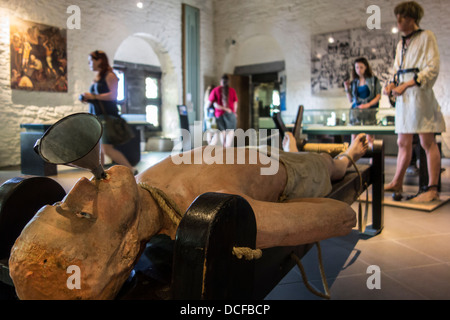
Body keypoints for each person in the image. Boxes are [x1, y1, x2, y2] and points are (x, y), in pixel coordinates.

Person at [9, 133, 368, 299]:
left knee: (283, 148)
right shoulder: (208, 211)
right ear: (122, 252)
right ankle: (345, 153)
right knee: (327, 163)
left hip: (257, 153)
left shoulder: (145, 187)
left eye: (61, 205)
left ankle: (292, 144)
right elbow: (341, 216)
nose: (79, 188)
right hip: (292, 170)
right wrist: (271, 216)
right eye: (83, 214)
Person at [383, 1, 446, 202]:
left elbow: (432, 68)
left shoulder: (427, 37)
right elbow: (396, 69)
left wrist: (407, 84)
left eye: (402, 16)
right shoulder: (402, 44)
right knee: (403, 142)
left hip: (419, 97)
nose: (399, 20)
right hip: (404, 100)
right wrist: (391, 85)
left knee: (427, 142)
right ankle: (398, 181)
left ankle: (433, 188)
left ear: (412, 18)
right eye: (398, 17)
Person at [80, 50, 136, 174]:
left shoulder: (110, 75)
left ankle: (132, 170)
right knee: (98, 149)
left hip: (107, 116)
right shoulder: (97, 78)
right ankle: (100, 175)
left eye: (91, 61)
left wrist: (93, 96)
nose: (89, 64)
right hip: (97, 116)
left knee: (106, 148)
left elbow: (113, 96)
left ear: (99, 60)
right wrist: (88, 98)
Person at [344, 57, 382, 146]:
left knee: (370, 137)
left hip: (369, 111)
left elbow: (378, 96)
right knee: (354, 137)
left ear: (366, 67)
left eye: (361, 67)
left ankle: (372, 159)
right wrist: (347, 88)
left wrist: (367, 105)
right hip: (356, 112)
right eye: (357, 67)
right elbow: (351, 100)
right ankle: (352, 159)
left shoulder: (373, 80)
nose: (359, 70)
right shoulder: (354, 82)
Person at [208, 74, 238, 147]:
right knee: (230, 132)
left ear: (221, 81)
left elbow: (209, 103)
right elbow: (235, 103)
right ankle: (226, 149)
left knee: (223, 132)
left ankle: (223, 148)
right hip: (230, 114)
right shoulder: (232, 90)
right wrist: (234, 112)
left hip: (219, 115)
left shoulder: (215, 90)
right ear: (228, 82)